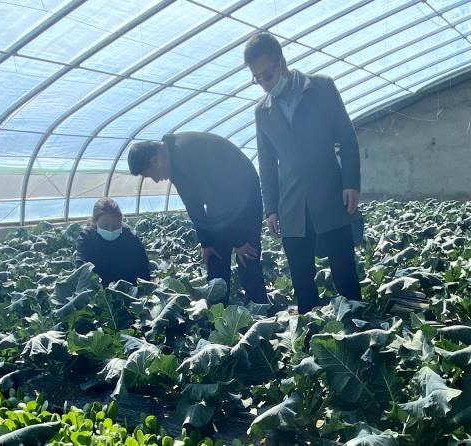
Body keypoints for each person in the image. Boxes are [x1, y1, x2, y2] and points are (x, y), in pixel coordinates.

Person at [244, 32, 362, 314]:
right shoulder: (262, 112)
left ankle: (359, 324)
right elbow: (267, 164)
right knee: (301, 278)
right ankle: (311, 330)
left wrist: (351, 182)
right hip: (292, 205)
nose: (264, 83)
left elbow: (347, 138)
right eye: (257, 79)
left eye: (268, 75)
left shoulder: (321, 88)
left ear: (282, 62)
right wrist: (271, 209)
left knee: (344, 269)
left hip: (331, 194)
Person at [127, 132, 267, 305]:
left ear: (155, 161)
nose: (155, 180)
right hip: (221, 204)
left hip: (246, 199)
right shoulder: (172, 160)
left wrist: (238, 240)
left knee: (247, 257)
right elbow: (193, 204)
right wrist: (206, 243)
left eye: (150, 175)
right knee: (215, 257)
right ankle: (217, 312)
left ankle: (259, 308)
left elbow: (222, 198)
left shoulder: (188, 155)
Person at [75, 197, 151, 287]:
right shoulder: (86, 238)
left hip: (129, 288)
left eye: (116, 226)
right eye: (105, 226)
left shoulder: (130, 236)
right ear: (95, 222)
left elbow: (143, 267)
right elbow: (83, 271)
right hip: (98, 291)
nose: (110, 230)